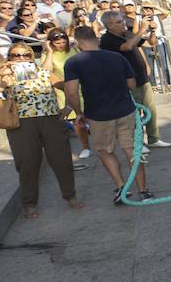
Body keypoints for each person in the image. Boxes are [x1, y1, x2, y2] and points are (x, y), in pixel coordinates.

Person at [0, 42, 83, 218]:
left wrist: (68, 108)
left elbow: (67, 87)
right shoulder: (7, 75)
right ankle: (29, 203)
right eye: (16, 55)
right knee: (28, 164)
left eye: (25, 55)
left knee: (62, 160)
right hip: (21, 124)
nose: (21, 58)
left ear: (32, 57)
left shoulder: (43, 72)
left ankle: (70, 195)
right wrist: (1, 74)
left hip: (51, 120)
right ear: (9, 57)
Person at [62, 26, 150, 203]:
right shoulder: (116, 57)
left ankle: (121, 187)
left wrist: (78, 113)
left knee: (106, 151)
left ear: (78, 43)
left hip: (98, 114)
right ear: (96, 39)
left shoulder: (73, 62)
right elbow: (132, 84)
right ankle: (144, 190)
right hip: (125, 109)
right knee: (132, 150)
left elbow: (71, 92)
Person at [99, 10, 168, 149]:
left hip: (142, 77)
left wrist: (152, 31)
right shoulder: (107, 39)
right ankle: (138, 142)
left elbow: (150, 43)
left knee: (150, 109)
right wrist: (141, 29)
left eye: (122, 21)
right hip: (127, 81)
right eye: (119, 22)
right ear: (110, 25)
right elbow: (128, 46)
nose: (123, 24)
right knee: (134, 112)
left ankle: (153, 138)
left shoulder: (128, 34)